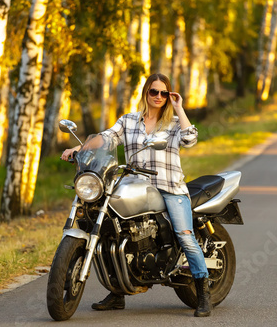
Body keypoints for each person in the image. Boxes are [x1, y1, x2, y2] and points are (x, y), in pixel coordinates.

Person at [61, 73, 212, 317]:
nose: (159, 97)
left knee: (185, 236)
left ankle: (203, 293)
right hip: (135, 186)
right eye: (154, 92)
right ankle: (118, 292)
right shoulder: (129, 121)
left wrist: (179, 108)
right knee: (116, 231)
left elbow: (190, 139)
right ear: (146, 93)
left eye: (164, 93)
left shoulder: (173, 123)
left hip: (169, 187)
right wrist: (78, 148)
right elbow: (106, 138)